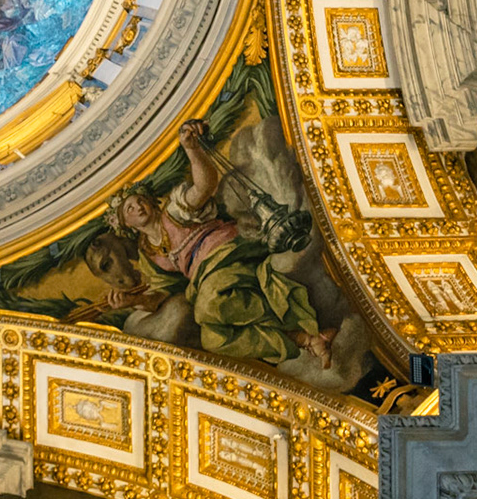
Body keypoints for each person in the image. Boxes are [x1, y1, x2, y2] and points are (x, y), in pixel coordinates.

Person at [105, 120, 336, 367]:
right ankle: (305, 340)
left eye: (140, 200)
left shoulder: (174, 212)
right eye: (130, 208)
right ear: (127, 224)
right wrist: (131, 302)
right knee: (213, 340)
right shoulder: (148, 255)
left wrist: (192, 149)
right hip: (206, 279)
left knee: (208, 306)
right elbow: (161, 297)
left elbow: (204, 186)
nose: (139, 206)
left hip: (227, 254)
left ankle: (296, 322)